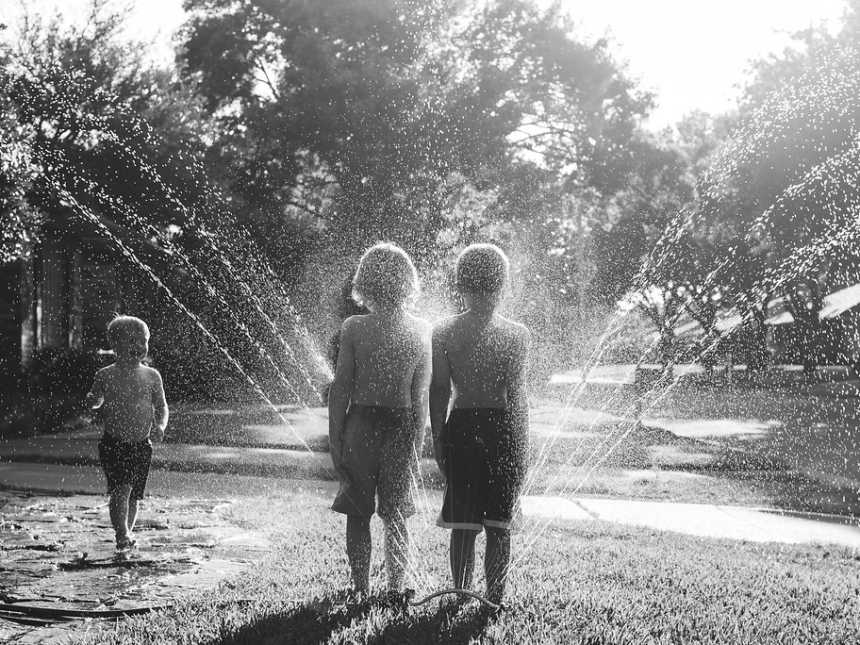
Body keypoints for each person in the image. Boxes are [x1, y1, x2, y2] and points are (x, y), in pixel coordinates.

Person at [328, 243, 431, 597]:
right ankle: (395, 587)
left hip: (361, 425)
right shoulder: (420, 329)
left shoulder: (355, 326)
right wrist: (417, 444)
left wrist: (336, 438)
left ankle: (361, 589)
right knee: (396, 514)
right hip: (401, 427)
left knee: (359, 513)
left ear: (364, 284)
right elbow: (420, 398)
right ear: (408, 283)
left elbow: (340, 390)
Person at [430, 243, 530, 606]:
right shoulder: (517, 333)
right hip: (500, 429)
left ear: (460, 284)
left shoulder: (444, 332)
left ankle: (461, 595)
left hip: (461, 427)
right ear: (503, 285)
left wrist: (438, 438)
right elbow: (517, 397)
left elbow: (440, 391)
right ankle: (495, 599)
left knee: (464, 525)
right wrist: (522, 443)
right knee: (498, 526)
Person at [86, 315, 168, 551]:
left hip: (142, 444)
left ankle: (127, 531)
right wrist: (92, 400)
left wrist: (160, 425)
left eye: (143, 341)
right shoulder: (106, 374)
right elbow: (97, 400)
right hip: (114, 443)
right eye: (131, 341)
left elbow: (162, 406)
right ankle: (121, 533)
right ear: (114, 344)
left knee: (134, 495)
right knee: (122, 488)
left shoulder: (152, 376)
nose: (138, 347)